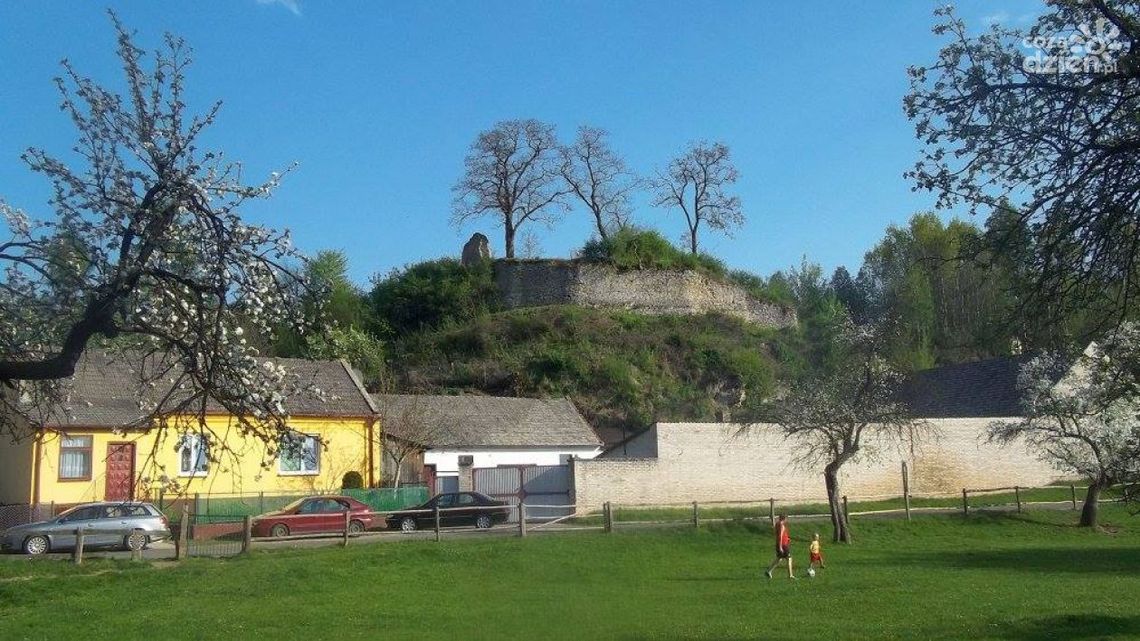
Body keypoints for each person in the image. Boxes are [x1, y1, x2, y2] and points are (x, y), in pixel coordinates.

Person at [765, 514, 795, 579]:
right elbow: (780, 536)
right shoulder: (782, 526)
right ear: (785, 519)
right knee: (789, 559)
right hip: (783, 545)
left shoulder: (777, 524)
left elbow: (777, 534)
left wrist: (787, 538)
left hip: (779, 544)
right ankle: (790, 575)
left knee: (779, 559)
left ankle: (769, 571)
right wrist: (780, 546)